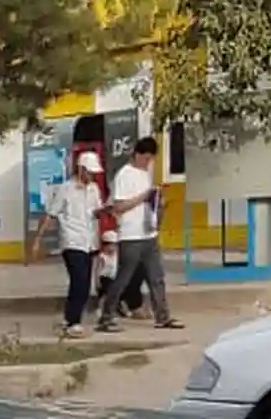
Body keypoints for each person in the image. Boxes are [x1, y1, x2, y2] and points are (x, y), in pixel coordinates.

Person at [98, 137, 182, 332]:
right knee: (123, 278)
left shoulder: (146, 175)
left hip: (148, 233)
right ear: (136, 155)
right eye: (145, 159)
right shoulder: (124, 175)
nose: (148, 163)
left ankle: (163, 316)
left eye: (151, 160)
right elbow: (118, 206)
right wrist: (144, 197)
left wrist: (157, 203)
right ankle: (106, 316)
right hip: (131, 236)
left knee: (156, 277)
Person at [33, 151, 104, 336]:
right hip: (72, 240)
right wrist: (38, 240)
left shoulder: (94, 189)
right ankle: (73, 321)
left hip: (89, 241)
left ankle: (70, 319)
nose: (92, 176)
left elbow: (96, 212)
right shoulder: (66, 189)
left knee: (85, 283)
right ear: (81, 169)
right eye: (90, 172)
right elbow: (51, 214)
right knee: (79, 280)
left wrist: (106, 212)